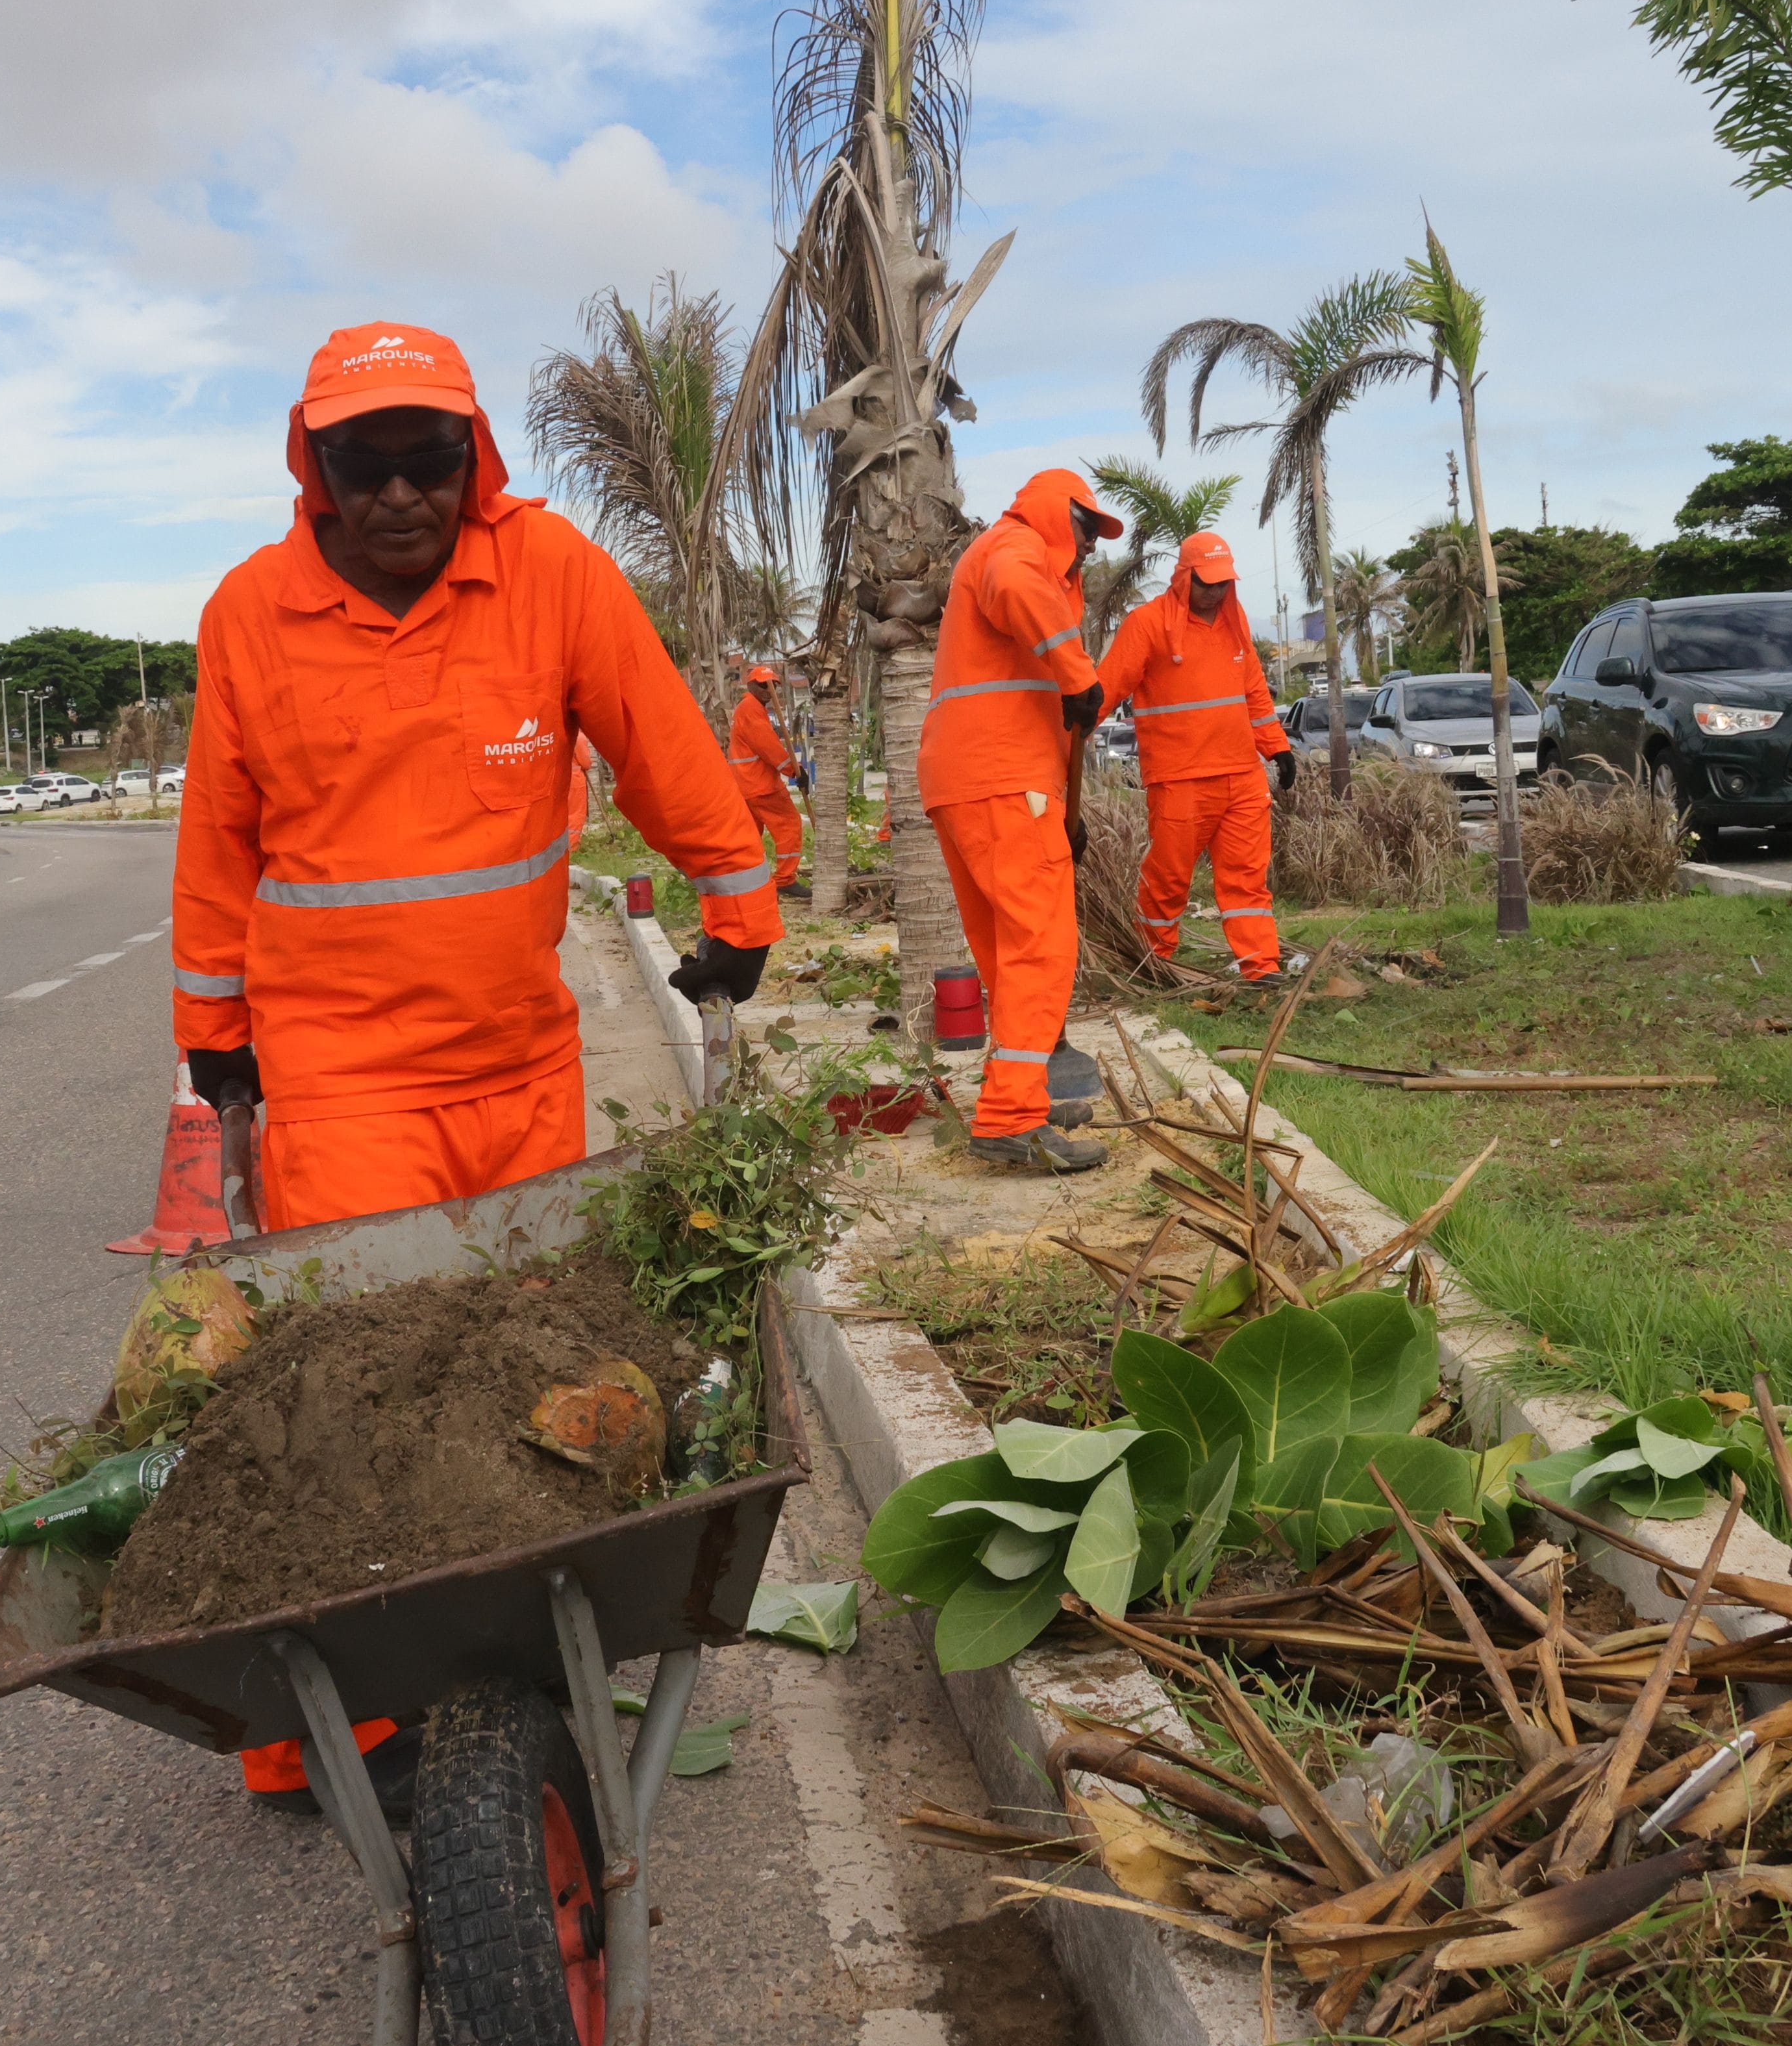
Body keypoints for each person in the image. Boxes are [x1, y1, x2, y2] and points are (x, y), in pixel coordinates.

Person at [167, 321, 781, 1807]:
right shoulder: (250, 613)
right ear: (309, 470)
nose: (394, 494)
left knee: (527, 1368)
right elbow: (219, 836)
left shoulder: (551, 576)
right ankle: (342, 1717)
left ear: (472, 459)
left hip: (516, 1068)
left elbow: (658, 741)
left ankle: (523, 1647)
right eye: (358, 464)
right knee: (361, 1393)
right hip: (341, 1082)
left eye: (424, 460)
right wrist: (214, 1035)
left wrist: (739, 901)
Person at [918, 468, 1124, 1172]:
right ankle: (1011, 1118)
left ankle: (1022, 1101)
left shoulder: (1008, 555)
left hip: (971, 783)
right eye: (1087, 527)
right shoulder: (1015, 552)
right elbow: (1017, 591)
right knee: (1042, 950)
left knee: (1009, 954)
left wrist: (1066, 809)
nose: (1092, 546)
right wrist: (1079, 674)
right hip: (1004, 783)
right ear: (1056, 512)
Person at [1097, 529, 1292, 984]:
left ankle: (1261, 966)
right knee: (1168, 880)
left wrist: (1277, 747)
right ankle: (1152, 961)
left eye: (1223, 583)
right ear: (1184, 576)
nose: (1215, 592)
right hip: (1179, 779)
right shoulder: (1147, 625)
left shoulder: (1235, 622)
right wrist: (1068, 735)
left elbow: (1255, 693)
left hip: (1242, 776)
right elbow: (1107, 688)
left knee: (1247, 879)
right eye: (1206, 583)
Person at [727, 662, 810, 897]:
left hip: (746, 785)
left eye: (773, 685)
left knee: (751, 836)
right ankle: (784, 879)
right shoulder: (751, 709)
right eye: (763, 685)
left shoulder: (748, 708)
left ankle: (747, 882)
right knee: (789, 825)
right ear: (751, 686)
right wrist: (796, 771)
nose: (768, 689)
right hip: (761, 786)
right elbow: (768, 747)